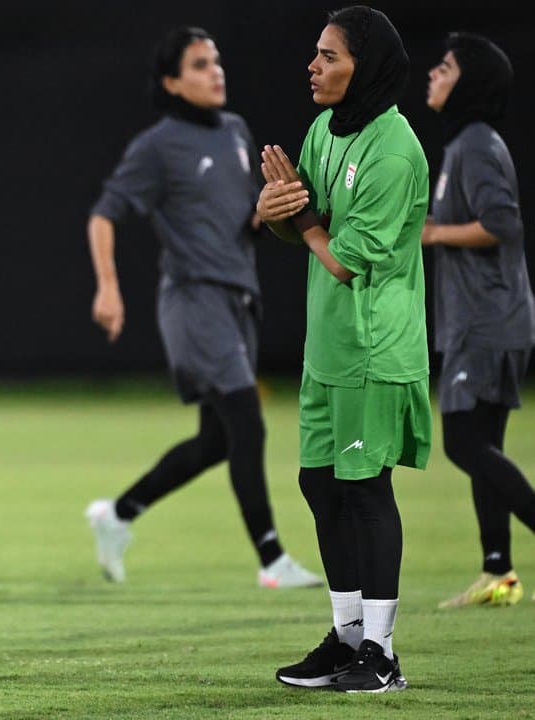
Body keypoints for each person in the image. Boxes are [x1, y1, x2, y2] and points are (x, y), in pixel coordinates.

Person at [83, 26, 322, 590]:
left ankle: (118, 515)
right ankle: (272, 560)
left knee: (217, 440)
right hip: (194, 299)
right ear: (172, 82)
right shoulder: (157, 145)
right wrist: (109, 288)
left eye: (215, 60)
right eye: (198, 64)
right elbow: (103, 215)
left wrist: (274, 208)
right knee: (247, 420)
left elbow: (247, 221)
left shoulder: (237, 131)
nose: (214, 71)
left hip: (240, 296)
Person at [257, 5, 429, 693]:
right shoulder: (324, 129)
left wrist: (295, 216)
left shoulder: (394, 150)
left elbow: (341, 259)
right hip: (326, 347)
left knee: (364, 490)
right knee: (319, 485)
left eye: (329, 56)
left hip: (374, 347)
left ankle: (381, 655)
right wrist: (274, 210)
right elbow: (301, 224)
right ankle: (347, 637)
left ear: (368, 66)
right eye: (315, 54)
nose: (313, 66)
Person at [423, 33, 535, 608]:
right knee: (483, 444)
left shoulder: (474, 145)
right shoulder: (465, 143)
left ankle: (502, 567)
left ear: (469, 83)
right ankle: (499, 573)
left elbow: (503, 222)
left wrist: (433, 232)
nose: (433, 74)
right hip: (489, 318)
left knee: (464, 444)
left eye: (444, 67)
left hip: (487, 321)